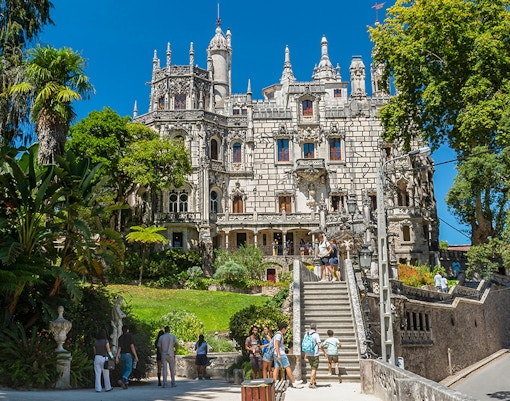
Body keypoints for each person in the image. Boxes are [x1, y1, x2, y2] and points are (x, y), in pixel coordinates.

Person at [272, 322, 303, 388]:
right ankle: (294, 382)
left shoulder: (276, 334)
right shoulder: (279, 335)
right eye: (285, 329)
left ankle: (274, 383)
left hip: (276, 353)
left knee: (277, 367)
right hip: (280, 353)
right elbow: (276, 344)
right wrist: (279, 354)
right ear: (283, 329)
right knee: (287, 366)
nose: (286, 331)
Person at [303, 323, 321, 389]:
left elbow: (305, 345)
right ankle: (311, 383)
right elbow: (319, 344)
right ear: (315, 328)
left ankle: (314, 381)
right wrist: (324, 352)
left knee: (313, 368)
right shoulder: (316, 335)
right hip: (315, 354)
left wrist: (305, 354)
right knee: (314, 368)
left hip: (308, 354)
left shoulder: (306, 334)